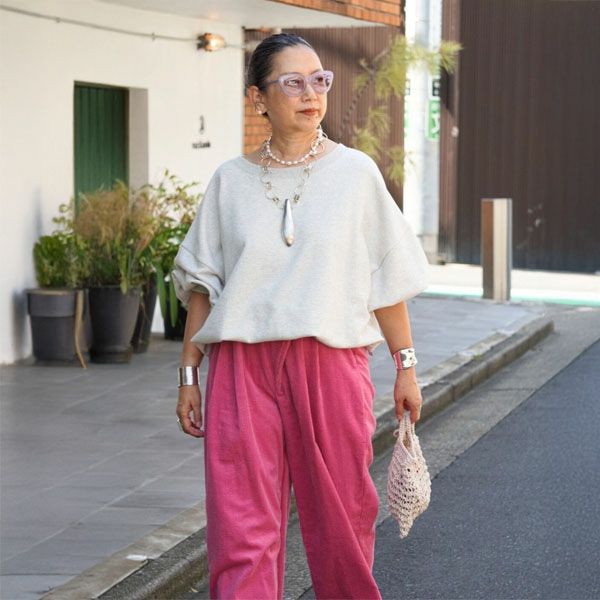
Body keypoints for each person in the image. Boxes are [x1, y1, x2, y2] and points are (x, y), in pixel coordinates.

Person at [172, 33, 429, 600]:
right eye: (293, 82)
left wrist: (405, 367)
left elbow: (384, 279)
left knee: (343, 520)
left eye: (319, 80)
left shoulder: (355, 174)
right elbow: (203, 287)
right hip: (241, 368)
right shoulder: (229, 181)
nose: (311, 93)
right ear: (258, 98)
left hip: (330, 363)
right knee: (240, 527)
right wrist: (190, 374)